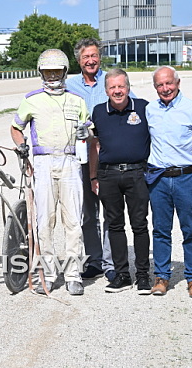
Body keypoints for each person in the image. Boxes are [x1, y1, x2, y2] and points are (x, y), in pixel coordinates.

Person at [10, 49, 91, 296]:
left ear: (65, 72)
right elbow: (15, 128)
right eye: (48, 72)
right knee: (44, 222)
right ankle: (47, 274)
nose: (53, 76)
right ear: (41, 73)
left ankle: (73, 275)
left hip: (70, 162)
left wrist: (86, 133)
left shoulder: (77, 100)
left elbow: (88, 128)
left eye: (57, 71)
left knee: (73, 221)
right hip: (43, 162)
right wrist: (21, 145)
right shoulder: (31, 100)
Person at [146, 66, 192, 299]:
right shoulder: (150, 110)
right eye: (160, 85)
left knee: (191, 230)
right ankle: (161, 276)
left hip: (187, 178)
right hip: (159, 179)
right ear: (155, 87)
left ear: (178, 83)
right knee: (160, 230)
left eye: (169, 83)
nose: (165, 88)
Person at [88, 69, 151, 294]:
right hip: (108, 175)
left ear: (128, 88)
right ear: (106, 91)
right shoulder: (98, 112)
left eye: (121, 86)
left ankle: (143, 275)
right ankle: (122, 275)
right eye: (112, 87)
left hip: (137, 174)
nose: (117, 91)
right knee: (114, 225)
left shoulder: (143, 108)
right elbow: (95, 146)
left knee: (139, 225)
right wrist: (93, 176)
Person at [66, 38, 117, 282]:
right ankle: (94, 260)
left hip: (109, 155)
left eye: (94, 55)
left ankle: (110, 262)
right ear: (79, 60)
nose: (90, 60)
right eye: (86, 57)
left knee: (111, 212)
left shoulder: (111, 80)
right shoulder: (69, 85)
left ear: (100, 57)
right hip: (81, 158)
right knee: (88, 213)